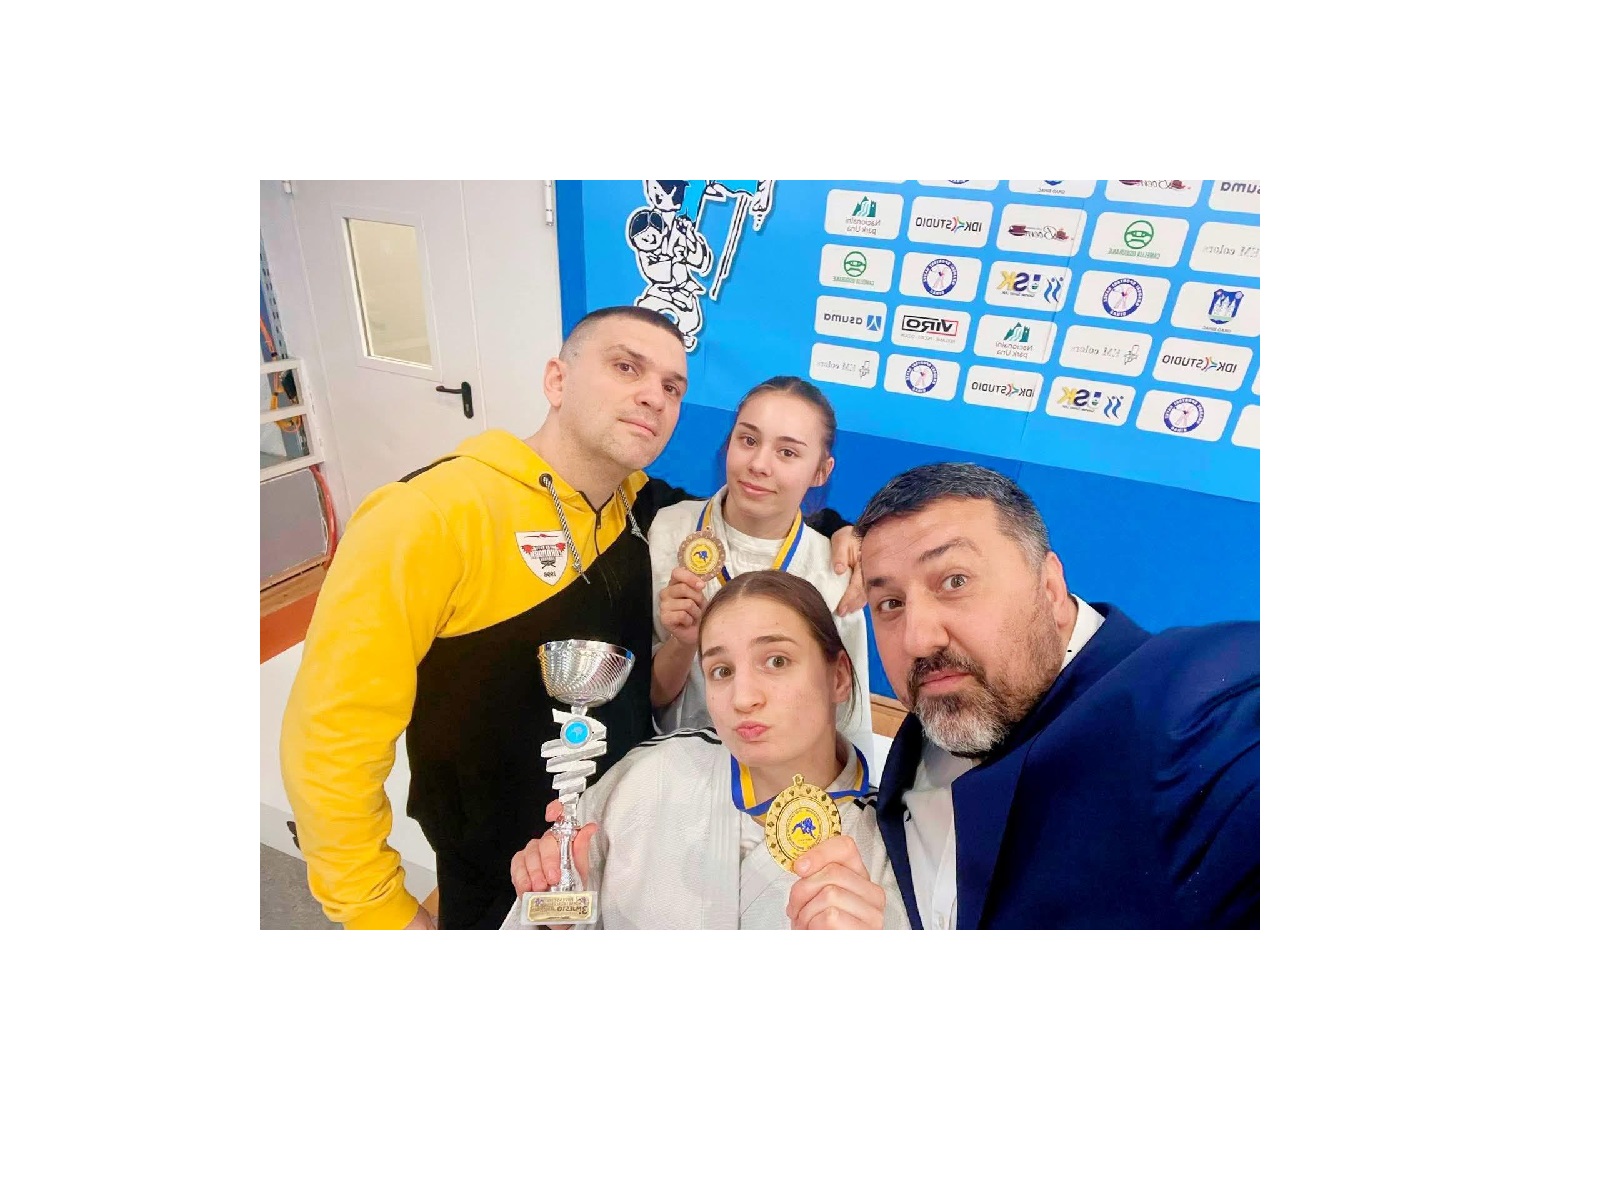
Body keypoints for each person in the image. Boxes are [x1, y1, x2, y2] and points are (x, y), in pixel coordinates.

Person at [280, 307, 862, 930]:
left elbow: (749, 522)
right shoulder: (427, 515)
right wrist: (378, 910)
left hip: (623, 842)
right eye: (626, 367)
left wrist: (845, 532)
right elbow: (331, 736)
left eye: (672, 386)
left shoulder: (639, 506)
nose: (653, 396)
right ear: (557, 380)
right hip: (497, 868)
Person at [854, 462, 1260, 930]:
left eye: (955, 581)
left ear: (1049, 587)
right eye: (890, 604)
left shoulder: (1194, 711)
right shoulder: (938, 719)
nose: (918, 639)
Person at [505, 571, 906, 930]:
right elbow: (540, 926)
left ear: (839, 677)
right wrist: (556, 921)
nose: (743, 698)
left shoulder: (891, 846)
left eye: (776, 660)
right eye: (722, 671)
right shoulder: (650, 774)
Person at [648, 376, 873, 754]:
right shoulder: (667, 530)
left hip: (785, 780)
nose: (758, 465)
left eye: (787, 452)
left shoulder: (834, 576)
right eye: (749, 440)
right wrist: (683, 644)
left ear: (821, 471)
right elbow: (649, 697)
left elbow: (849, 725)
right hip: (671, 767)